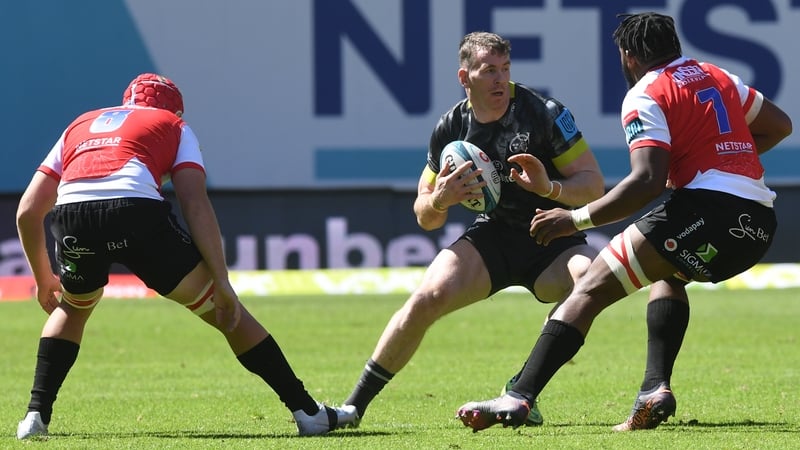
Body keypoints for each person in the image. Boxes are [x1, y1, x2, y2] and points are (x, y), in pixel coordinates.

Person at [456, 12, 792, 432]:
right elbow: (780, 125)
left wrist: (574, 218)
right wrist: (721, 160)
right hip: (758, 222)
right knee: (669, 273)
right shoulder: (717, 75)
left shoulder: (646, 92)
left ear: (628, 56)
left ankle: (518, 396)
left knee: (592, 286)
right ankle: (655, 389)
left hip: (709, 212)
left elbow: (646, 181)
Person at [14, 73, 358, 440]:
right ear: (173, 108)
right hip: (136, 211)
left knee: (74, 308)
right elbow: (195, 202)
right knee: (226, 313)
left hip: (73, 217)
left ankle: (35, 418)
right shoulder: (174, 125)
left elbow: (28, 211)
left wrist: (43, 279)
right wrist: (222, 282)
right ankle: (307, 412)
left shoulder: (79, 125)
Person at [341, 31, 605, 428]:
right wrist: (440, 199)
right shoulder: (451, 127)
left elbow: (593, 185)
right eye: (488, 71)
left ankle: (522, 392)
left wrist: (549, 189)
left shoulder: (543, 113)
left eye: (505, 69)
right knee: (426, 298)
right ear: (465, 78)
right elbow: (424, 214)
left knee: (590, 280)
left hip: (552, 234)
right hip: (493, 237)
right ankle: (352, 409)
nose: (500, 80)